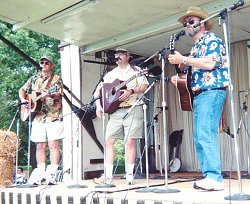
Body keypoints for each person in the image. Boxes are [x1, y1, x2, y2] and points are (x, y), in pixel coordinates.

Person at [168, 7, 229, 191]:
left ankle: (215, 178)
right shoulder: (195, 47)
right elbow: (194, 72)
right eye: (185, 23)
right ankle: (208, 176)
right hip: (201, 94)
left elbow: (210, 63)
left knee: (205, 134)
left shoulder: (212, 39)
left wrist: (184, 59)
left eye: (191, 21)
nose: (187, 25)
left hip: (212, 91)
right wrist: (178, 79)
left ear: (202, 24)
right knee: (198, 136)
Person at [93, 48, 149, 185]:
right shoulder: (110, 74)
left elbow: (145, 86)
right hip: (116, 110)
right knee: (109, 141)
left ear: (128, 56)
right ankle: (107, 176)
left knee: (129, 141)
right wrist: (98, 105)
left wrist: (131, 91)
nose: (117, 56)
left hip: (133, 108)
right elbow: (98, 91)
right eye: (116, 54)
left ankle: (129, 175)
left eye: (121, 54)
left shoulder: (136, 71)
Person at [19, 56, 64, 185]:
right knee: (39, 145)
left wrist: (49, 94)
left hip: (53, 116)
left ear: (51, 65)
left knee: (53, 145)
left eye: (46, 63)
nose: (43, 64)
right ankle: (40, 172)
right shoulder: (34, 78)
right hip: (38, 117)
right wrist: (24, 100)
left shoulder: (56, 78)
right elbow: (22, 90)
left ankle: (53, 173)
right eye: (42, 62)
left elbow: (59, 93)